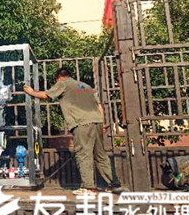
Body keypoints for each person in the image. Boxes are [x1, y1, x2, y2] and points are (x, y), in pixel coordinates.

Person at [23, 67, 124, 196]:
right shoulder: (86, 86)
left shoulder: (63, 83)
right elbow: (99, 106)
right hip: (97, 121)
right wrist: (102, 123)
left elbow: (46, 95)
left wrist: (31, 92)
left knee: (83, 154)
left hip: (82, 123)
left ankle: (88, 188)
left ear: (59, 77)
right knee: (100, 155)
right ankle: (114, 184)